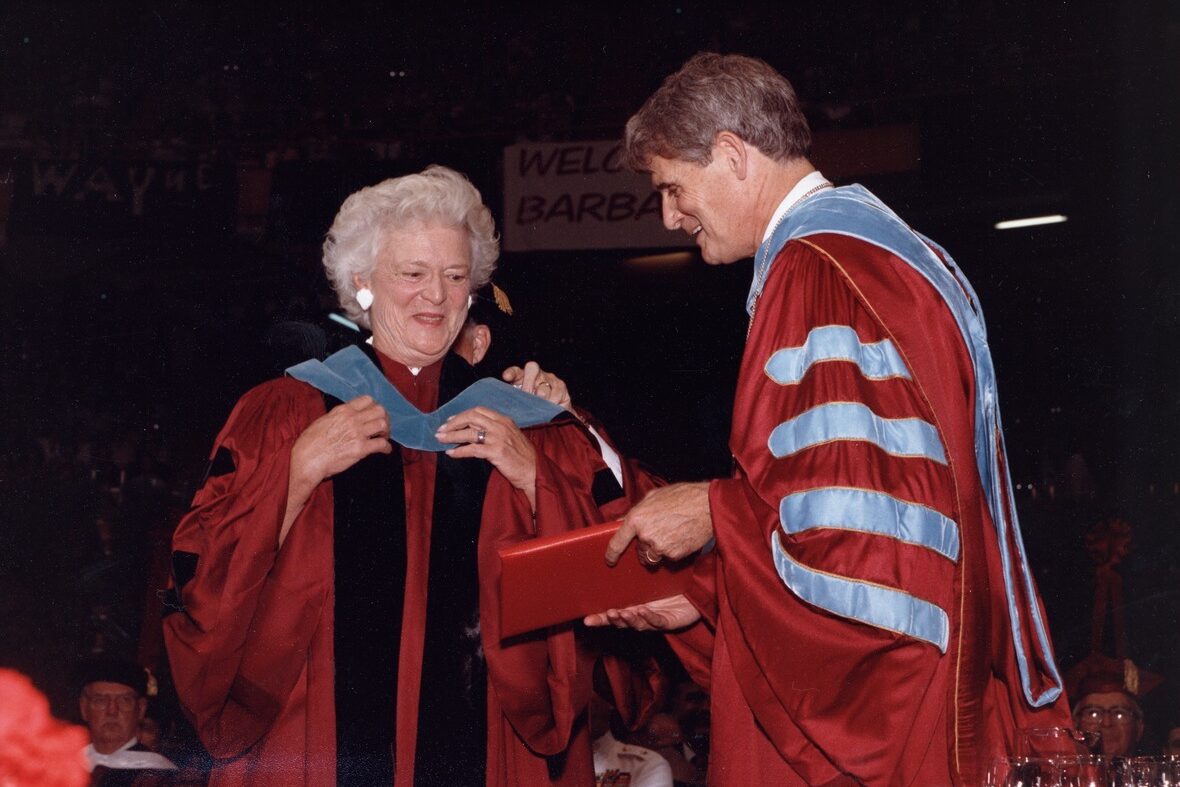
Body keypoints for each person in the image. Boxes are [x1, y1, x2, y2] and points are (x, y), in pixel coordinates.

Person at [585, 52, 1072, 785]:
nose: (669, 215)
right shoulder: (884, 252)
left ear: (730, 155)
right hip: (937, 677)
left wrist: (714, 509)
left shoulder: (818, 272)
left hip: (881, 724)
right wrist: (701, 592)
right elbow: (854, 521)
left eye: (673, 187)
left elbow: (861, 552)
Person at [163, 165, 660, 785]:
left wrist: (539, 480)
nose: (436, 296)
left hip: (485, 739)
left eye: (456, 277)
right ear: (362, 283)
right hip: (318, 740)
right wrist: (294, 476)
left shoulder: (522, 419)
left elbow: (626, 563)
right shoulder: (288, 412)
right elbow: (201, 573)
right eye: (413, 273)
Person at [77, 657, 177, 785]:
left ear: (141, 709)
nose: (112, 711)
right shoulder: (62, 765)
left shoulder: (160, 776)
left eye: (124, 700)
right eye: (100, 700)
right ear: (84, 708)